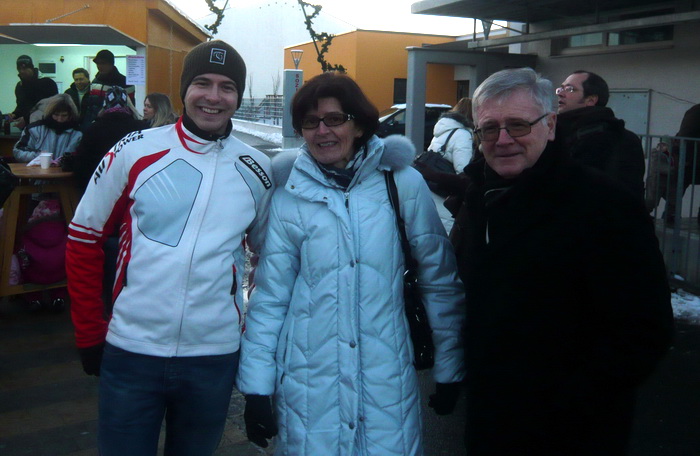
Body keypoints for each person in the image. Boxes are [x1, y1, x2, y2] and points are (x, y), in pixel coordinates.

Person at [237, 72, 465, 454]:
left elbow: (439, 280)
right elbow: (272, 297)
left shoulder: (402, 184)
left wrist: (450, 366)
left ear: (358, 125)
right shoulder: (289, 194)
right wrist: (257, 387)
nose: (322, 131)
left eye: (334, 119)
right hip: (309, 387)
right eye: (310, 122)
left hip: (386, 384)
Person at [449, 67, 674, 456]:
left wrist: (572, 400)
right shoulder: (481, 198)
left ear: (550, 125)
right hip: (492, 418)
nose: (503, 140)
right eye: (489, 128)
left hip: (572, 430)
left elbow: (644, 328)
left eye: (518, 125)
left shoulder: (604, 205)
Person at [66, 40, 273, 456]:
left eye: (227, 87)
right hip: (131, 350)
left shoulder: (258, 169)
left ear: (238, 96)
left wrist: (256, 358)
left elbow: (269, 265)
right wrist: (90, 331)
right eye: (202, 83)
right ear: (184, 90)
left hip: (214, 356)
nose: (213, 96)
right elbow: (83, 239)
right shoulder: (135, 149)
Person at [554, 70, 645, 200]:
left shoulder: (616, 139)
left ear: (591, 100)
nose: (560, 94)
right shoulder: (556, 133)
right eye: (561, 88)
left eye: (570, 89)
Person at [71, 86, 149, 194]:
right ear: (127, 103)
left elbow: (82, 162)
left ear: (105, 103)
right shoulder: (141, 128)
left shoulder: (93, 129)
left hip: (99, 186)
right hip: (132, 186)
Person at [421, 97, 474, 232]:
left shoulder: (442, 131)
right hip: (446, 192)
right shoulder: (462, 134)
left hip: (432, 186)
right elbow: (463, 169)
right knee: (450, 229)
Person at [13, 93, 82, 163]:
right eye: (56, 115)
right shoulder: (33, 129)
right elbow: (18, 152)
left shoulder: (78, 134)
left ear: (70, 115)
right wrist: (39, 156)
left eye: (64, 115)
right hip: (36, 169)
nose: (59, 119)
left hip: (64, 169)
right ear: (50, 113)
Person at [81, 49, 136, 128]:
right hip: (95, 124)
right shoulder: (95, 81)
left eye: (103, 63)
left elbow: (130, 108)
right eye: (98, 63)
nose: (99, 66)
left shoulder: (125, 82)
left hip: (116, 126)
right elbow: (90, 106)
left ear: (111, 64)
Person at [9, 55, 58, 130]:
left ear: (31, 68)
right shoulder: (20, 86)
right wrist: (15, 114)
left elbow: (50, 108)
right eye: (19, 69)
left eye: (24, 68)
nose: (21, 71)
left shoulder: (48, 83)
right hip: (26, 128)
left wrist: (26, 119)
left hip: (45, 128)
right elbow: (21, 106)